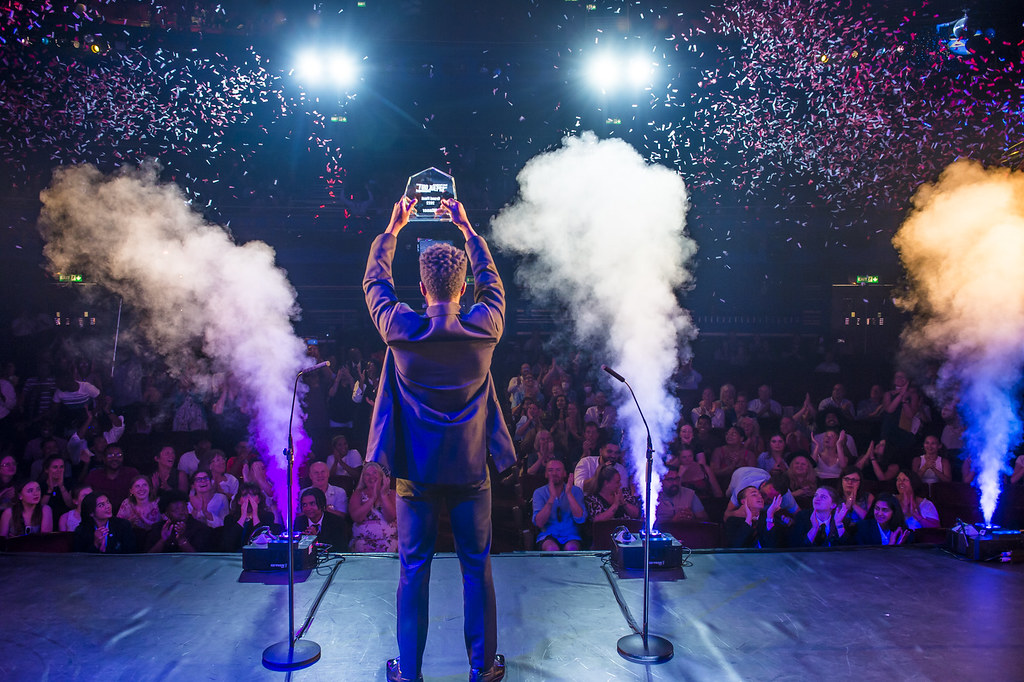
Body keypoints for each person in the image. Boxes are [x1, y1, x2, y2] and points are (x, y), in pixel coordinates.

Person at [363, 196, 514, 682]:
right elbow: (494, 283)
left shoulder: (401, 330)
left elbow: (374, 282)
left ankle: (409, 674)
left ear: (422, 286)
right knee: (477, 570)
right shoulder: (484, 328)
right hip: (472, 474)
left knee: (413, 572)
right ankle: (482, 669)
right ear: (465, 285)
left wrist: (394, 227)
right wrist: (469, 230)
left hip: (417, 479)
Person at [532, 459, 586, 550]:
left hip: (571, 535)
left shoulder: (576, 491)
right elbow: (539, 523)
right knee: (551, 548)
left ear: (564, 473)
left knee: (571, 548)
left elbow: (581, 519)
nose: (554, 473)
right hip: (548, 535)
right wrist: (551, 498)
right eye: (550, 470)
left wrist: (569, 493)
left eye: (558, 470)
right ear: (546, 474)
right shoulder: (539, 492)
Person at [349, 462, 398, 552]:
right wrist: (372, 499)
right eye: (367, 474)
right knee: (360, 545)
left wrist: (383, 495)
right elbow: (356, 518)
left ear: (381, 476)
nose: (371, 477)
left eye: (374, 473)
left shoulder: (391, 494)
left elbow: (390, 517)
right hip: (363, 541)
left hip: (388, 541)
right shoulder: (358, 494)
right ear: (363, 479)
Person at [221, 482, 278, 552]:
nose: (249, 498)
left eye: (253, 495)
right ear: (239, 501)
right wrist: (242, 518)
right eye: (245, 495)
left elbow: (263, 543)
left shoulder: (267, 517)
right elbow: (228, 545)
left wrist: (255, 515)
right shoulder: (229, 519)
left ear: (259, 499)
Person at [83, 444, 139, 512]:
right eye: (110, 455)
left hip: (128, 514)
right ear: (103, 458)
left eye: (119, 455)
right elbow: (85, 497)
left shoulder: (131, 473)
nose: (115, 458)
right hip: (100, 515)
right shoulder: (94, 475)